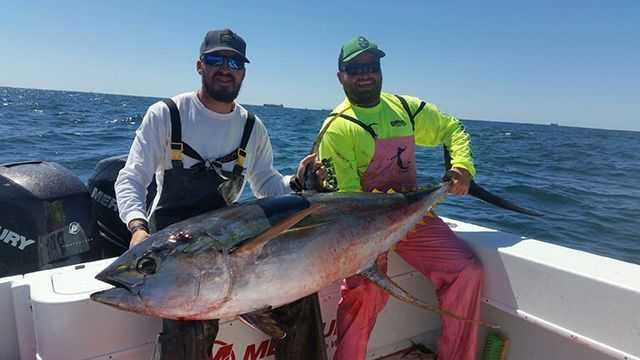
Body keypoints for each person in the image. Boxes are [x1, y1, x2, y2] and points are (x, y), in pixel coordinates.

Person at [115, 29, 327, 360]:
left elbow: (266, 183)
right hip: (176, 252)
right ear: (200, 66)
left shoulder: (251, 127)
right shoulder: (167, 114)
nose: (225, 68)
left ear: (243, 71)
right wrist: (137, 227)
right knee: (189, 323)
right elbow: (132, 177)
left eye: (234, 62)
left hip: (229, 247)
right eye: (216, 60)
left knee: (301, 295)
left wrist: (298, 183)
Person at [315, 36, 484, 360]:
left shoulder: (405, 108)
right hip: (365, 225)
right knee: (365, 290)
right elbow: (348, 204)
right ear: (341, 77)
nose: (365, 74)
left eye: (372, 66)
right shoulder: (336, 128)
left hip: (412, 214)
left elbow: (454, 129)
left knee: (467, 271)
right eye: (355, 69)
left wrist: (462, 166)